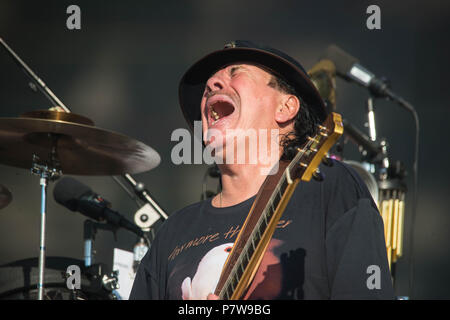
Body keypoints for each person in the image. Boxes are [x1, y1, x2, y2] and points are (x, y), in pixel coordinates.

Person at [129, 40, 395, 300]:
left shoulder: (329, 188)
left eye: (236, 73)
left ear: (286, 107)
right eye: (209, 84)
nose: (211, 85)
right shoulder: (174, 230)